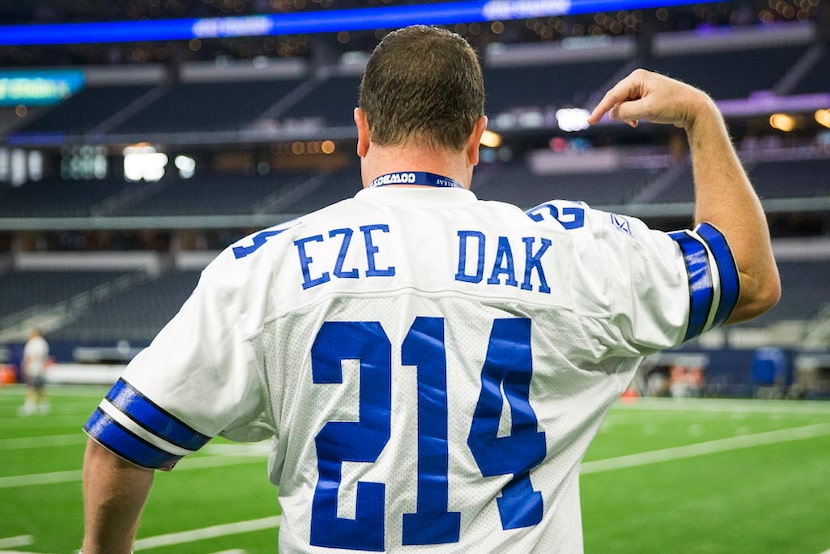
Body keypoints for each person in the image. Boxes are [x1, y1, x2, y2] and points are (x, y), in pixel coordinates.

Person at [81, 25, 780, 553]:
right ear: (478, 137)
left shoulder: (264, 266)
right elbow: (748, 277)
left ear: (361, 130)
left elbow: (121, 444)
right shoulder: (576, 253)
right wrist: (698, 118)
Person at [19, 327, 50, 416]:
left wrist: (26, 366)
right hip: (40, 368)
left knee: (31, 387)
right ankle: (44, 404)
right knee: (40, 387)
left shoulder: (34, 343)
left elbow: (31, 356)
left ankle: (30, 405)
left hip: (33, 368)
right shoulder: (43, 343)